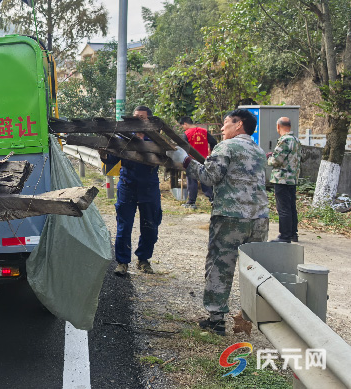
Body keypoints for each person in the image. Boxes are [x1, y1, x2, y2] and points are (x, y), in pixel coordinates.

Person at [166, 109, 268, 336]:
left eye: (225, 124)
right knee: (253, 270)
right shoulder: (259, 151)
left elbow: (208, 177)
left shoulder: (226, 147)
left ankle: (216, 320)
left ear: (239, 124)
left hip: (231, 218)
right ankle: (249, 318)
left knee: (220, 267)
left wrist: (185, 160)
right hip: (260, 218)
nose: (221, 129)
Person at [100, 105, 162, 276]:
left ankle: (143, 260)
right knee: (124, 226)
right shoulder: (123, 138)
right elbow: (111, 160)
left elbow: (165, 156)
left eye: (141, 117)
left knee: (150, 226)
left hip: (149, 187)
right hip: (127, 185)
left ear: (148, 120)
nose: (136, 120)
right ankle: (122, 262)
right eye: (134, 116)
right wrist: (104, 152)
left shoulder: (156, 140)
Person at [267, 117, 301, 243]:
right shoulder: (296, 140)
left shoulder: (284, 140)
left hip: (282, 178)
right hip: (292, 178)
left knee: (283, 208)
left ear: (278, 127)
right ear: (290, 126)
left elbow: (277, 160)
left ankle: (284, 236)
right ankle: (293, 233)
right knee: (291, 206)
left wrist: (269, 158)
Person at [178, 117, 217, 208]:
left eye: (183, 126)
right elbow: (214, 142)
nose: (183, 128)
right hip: (204, 159)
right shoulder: (204, 131)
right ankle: (213, 199)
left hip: (191, 161)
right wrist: (211, 150)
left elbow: (183, 148)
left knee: (192, 181)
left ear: (185, 124)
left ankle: (191, 202)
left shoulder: (186, 134)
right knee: (205, 179)